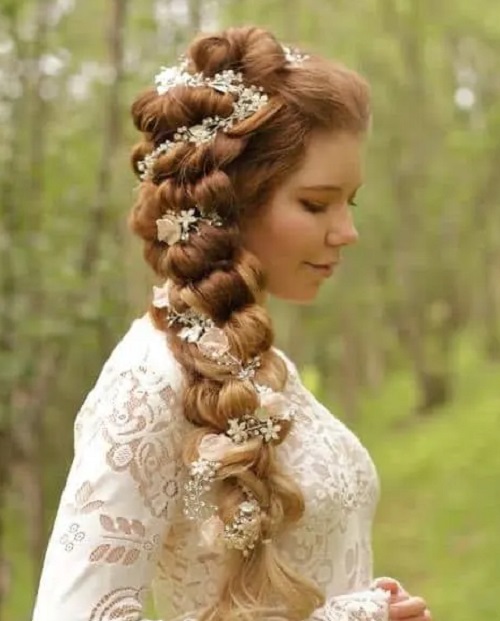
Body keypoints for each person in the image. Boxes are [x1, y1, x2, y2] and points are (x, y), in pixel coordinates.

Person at [32, 25, 432, 621]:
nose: (347, 232)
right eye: (317, 203)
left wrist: (366, 599)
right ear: (228, 202)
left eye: (353, 202)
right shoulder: (146, 383)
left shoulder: (254, 363)